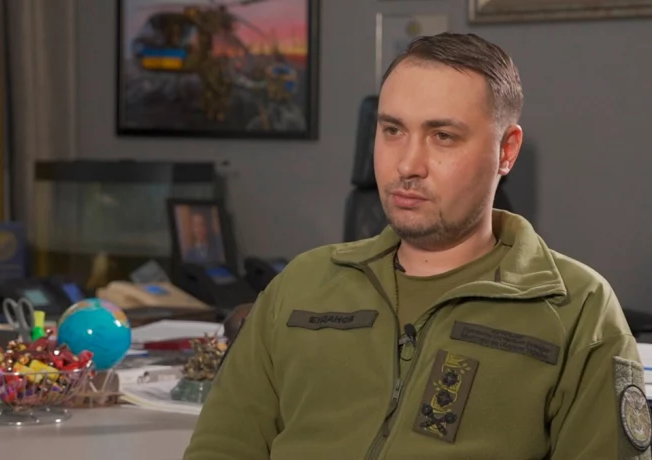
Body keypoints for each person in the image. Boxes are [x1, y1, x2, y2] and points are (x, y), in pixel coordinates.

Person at [183, 33, 651, 459]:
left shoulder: (577, 309)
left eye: (442, 136)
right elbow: (222, 447)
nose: (408, 164)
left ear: (506, 151)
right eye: (393, 130)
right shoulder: (302, 287)